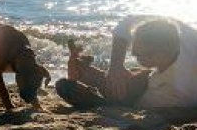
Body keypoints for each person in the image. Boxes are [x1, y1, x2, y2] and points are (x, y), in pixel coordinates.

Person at [56, 15, 197, 109]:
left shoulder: (184, 84)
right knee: (137, 78)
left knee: (138, 89)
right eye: (134, 52)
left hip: (156, 100)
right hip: (149, 82)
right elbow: (126, 23)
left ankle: (102, 98)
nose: (134, 56)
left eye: (139, 55)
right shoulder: (177, 32)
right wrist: (116, 66)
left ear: (161, 53)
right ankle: (91, 76)